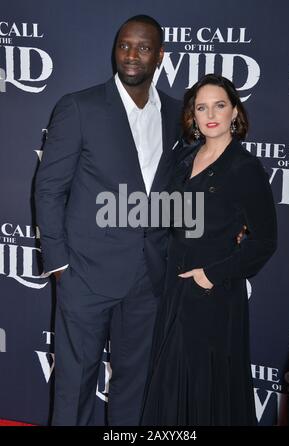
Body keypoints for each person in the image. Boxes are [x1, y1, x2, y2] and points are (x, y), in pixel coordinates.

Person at [35, 15, 181, 426]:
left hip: (149, 277)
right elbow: (48, 189)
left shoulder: (176, 113)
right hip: (85, 274)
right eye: (124, 46)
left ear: (160, 56)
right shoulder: (79, 107)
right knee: (74, 385)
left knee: (135, 388)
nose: (131, 55)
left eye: (143, 47)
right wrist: (60, 265)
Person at [140, 74, 277, 426]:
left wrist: (211, 275)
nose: (210, 113)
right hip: (174, 284)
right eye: (202, 107)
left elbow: (265, 241)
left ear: (235, 112)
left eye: (219, 105)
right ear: (193, 116)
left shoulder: (244, 168)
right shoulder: (184, 159)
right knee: (169, 382)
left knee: (203, 387)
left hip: (212, 292)